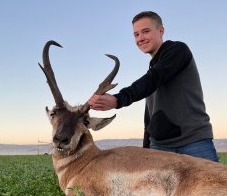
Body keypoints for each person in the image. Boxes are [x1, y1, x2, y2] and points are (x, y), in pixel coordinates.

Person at [88, 11, 218, 162]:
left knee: (212, 186)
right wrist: (146, 151)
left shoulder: (178, 51)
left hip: (193, 143)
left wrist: (118, 99)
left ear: (161, 31)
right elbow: (149, 118)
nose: (140, 38)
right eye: (136, 35)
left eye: (145, 31)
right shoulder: (151, 74)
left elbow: (154, 78)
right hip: (159, 148)